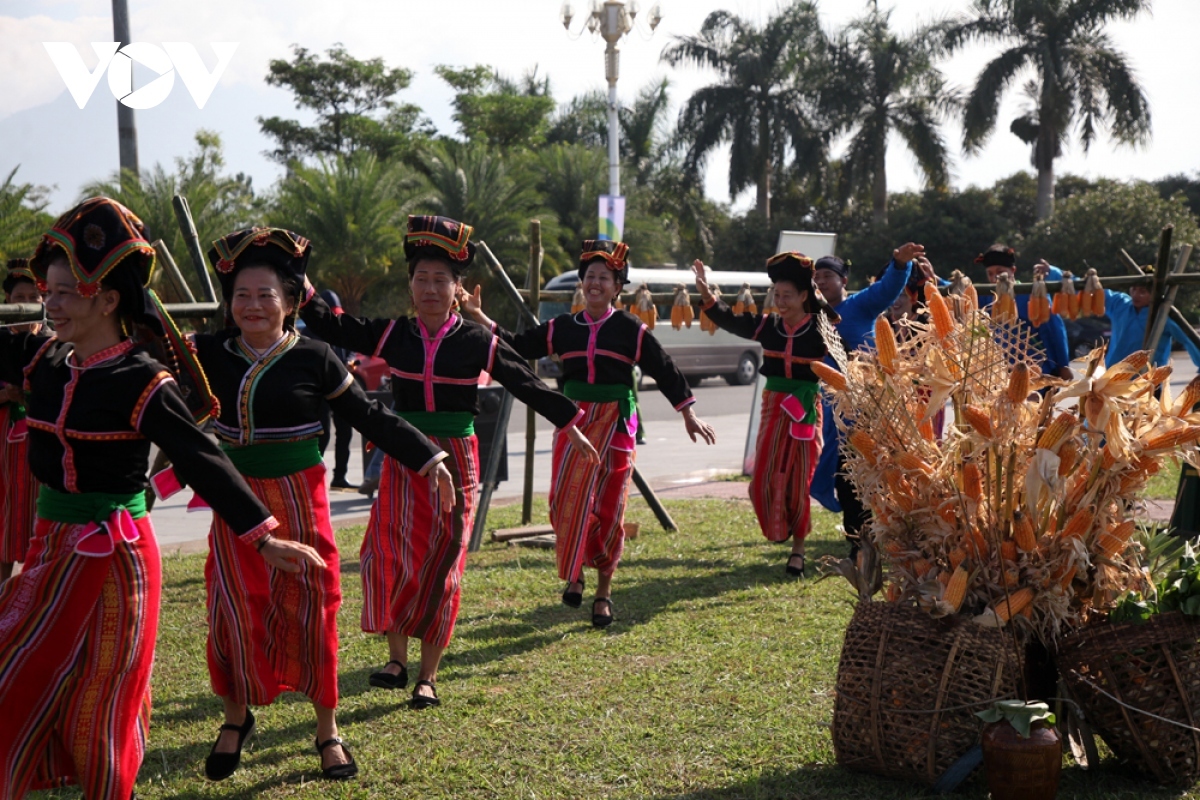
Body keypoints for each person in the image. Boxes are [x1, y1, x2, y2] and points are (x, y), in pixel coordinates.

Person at [0, 197, 322, 800]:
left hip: (117, 558)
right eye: (50, 290)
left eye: (68, 292)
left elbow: (203, 459)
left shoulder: (143, 380)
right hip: (50, 548)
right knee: (15, 667)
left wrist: (264, 535)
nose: (52, 302)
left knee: (105, 692)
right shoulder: (42, 359)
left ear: (108, 298)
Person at [301, 215, 597, 707]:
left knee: (444, 566)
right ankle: (396, 660)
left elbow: (524, 380)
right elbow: (334, 325)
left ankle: (427, 676)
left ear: (459, 289)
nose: (431, 288)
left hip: (457, 461)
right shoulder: (394, 334)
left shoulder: (477, 341)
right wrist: (301, 281)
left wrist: (570, 422)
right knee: (387, 554)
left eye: (441, 280)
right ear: (410, 286)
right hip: (403, 454)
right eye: (422, 279)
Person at [195, 226, 454, 779]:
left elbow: (370, 414)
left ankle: (327, 729)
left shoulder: (314, 356)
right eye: (241, 295)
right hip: (236, 504)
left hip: (301, 500)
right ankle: (236, 718)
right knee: (233, 611)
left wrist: (428, 457)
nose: (253, 306)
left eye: (266, 295)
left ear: (291, 303)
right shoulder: (207, 353)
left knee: (315, 611)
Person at [461, 239, 717, 628]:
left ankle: (603, 592)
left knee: (610, 508)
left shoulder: (631, 329)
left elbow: (664, 369)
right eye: (590, 277)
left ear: (617, 287)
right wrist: (480, 316)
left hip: (616, 423)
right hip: (573, 420)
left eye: (605, 278)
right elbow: (516, 346)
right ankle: (575, 572)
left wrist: (688, 412)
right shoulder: (563, 328)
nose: (595, 283)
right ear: (582, 284)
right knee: (566, 499)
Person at [692, 254, 838, 576]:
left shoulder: (822, 329)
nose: (780, 302)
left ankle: (798, 550)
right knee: (761, 482)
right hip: (773, 406)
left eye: (788, 295)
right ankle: (779, 526)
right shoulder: (767, 326)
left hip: (806, 410)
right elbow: (731, 320)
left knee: (800, 480)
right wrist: (706, 294)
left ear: (804, 296)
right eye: (777, 295)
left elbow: (845, 356)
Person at [809, 245, 924, 556]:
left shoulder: (860, 306)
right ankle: (858, 546)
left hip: (872, 406)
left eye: (828, 276)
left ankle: (898, 538)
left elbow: (887, 289)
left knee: (884, 474)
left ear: (844, 280)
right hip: (835, 411)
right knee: (847, 478)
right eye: (816, 276)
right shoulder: (809, 315)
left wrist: (899, 264)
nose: (821, 281)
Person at [1034, 260, 1200, 369]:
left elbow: (1189, 339)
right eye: (1134, 289)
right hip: (1115, 379)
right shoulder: (1121, 303)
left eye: (1143, 291)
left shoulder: (1164, 314)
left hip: (1148, 381)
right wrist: (1054, 272)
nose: (1136, 295)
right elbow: (1089, 289)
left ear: (1153, 294)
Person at [0, 258, 42, 582]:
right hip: (3, 449)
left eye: (33, 296)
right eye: (18, 298)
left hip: (41, 450)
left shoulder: (56, 343)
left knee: (38, 526)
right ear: (7, 303)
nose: (26, 303)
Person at [977, 244, 1072, 380]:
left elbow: (1055, 330)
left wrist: (1063, 365)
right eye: (990, 274)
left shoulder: (1031, 295)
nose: (995, 278)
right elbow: (965, 296)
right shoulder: (987, 296)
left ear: (1013, 270)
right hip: (1002, 369)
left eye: (1000, 272)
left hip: (1036, 366)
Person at [308, 288, 358, 490]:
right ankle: (314, 477)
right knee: (323, 434)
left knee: (345, 432)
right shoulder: (310, 330)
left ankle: (340, 477)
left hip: (341, 387)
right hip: (319, 390)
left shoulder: (341, 326)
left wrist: (350, 360)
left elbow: (351, 349)